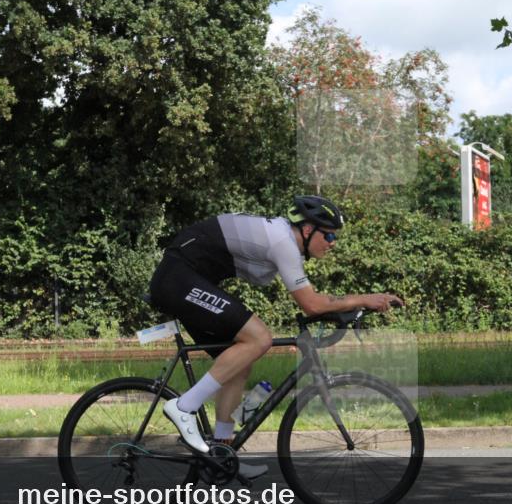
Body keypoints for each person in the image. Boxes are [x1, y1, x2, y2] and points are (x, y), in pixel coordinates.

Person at [148, 195, 404, 464]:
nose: (332, 243)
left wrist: (343, 310)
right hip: (178, 279)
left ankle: (221, 453)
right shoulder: (284, 243)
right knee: (260, 338)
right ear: (308, 230)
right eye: (328, 237)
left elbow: (317, 303)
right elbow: (312, 304)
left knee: (240, 358)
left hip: (187, 279)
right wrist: (365, 299)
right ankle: (184, 406)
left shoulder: (283, 239)